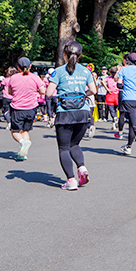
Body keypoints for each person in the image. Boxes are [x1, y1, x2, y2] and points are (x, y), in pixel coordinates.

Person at [47, 41, 95, 191]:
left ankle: (71, 180)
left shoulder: (58, 71)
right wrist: (81, 94)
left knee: (63, 148)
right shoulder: (86, 71)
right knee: (75, 144)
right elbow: (93, 90)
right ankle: (81, 168)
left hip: (65, 113)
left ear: (64, 54)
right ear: (80, 55)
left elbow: (49, 93)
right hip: (83, 112)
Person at [5, 57, 45, 160]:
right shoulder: (35, 78)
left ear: (18, 67)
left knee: (15, 131)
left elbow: (9, 92)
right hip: (31, 108)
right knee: (25, 131)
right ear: (30, 66)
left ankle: (23, 143)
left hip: (17, 107)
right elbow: (43, 90)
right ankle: (23, 153)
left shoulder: (13, 78)